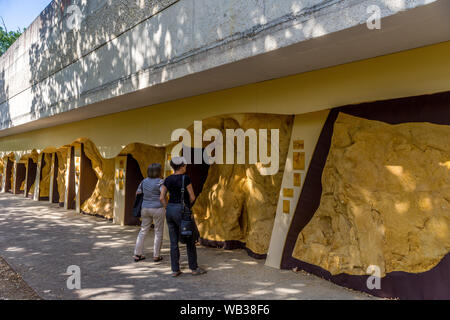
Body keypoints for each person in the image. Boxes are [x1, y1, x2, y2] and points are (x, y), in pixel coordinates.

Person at [160, 157, 206, 277]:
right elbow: (192, 196)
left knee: (173, 242)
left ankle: (175, 270)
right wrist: (187, 207)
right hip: (182, 210)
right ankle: (194, 268)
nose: (186, 167)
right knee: (190, 239)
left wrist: (167, 207)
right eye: (185, 165)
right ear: (181, 167)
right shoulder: (186, 178)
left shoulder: (168, 179)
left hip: (170, 210)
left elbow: (161, 197)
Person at [133, 163, 165, 262]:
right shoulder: (160, 182)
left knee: (143, 231)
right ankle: (156, 255)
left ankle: (137, 254)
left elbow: (138, 193)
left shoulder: (143, 181)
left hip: (145, 208)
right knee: (158, 231)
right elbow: (162, 195)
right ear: (159, 171)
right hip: (158, 208)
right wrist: (166, 205)